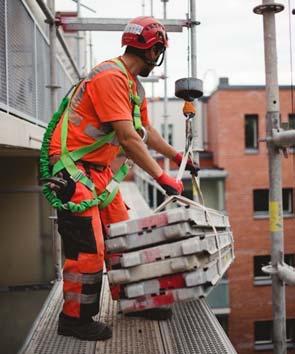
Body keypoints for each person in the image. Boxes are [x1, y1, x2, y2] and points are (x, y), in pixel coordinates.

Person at [48, 16, 198, 341]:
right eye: (159, 51)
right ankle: (74, 319)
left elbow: (146, 133)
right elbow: (129, 139)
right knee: (89, 250)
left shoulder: (133, 86)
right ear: (153, 49)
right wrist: (163, 178)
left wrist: (175, 157)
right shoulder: (110, 77)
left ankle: (133, 301)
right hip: (74, 171)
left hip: (98, 172)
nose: (157, 59)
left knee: (123, 239)